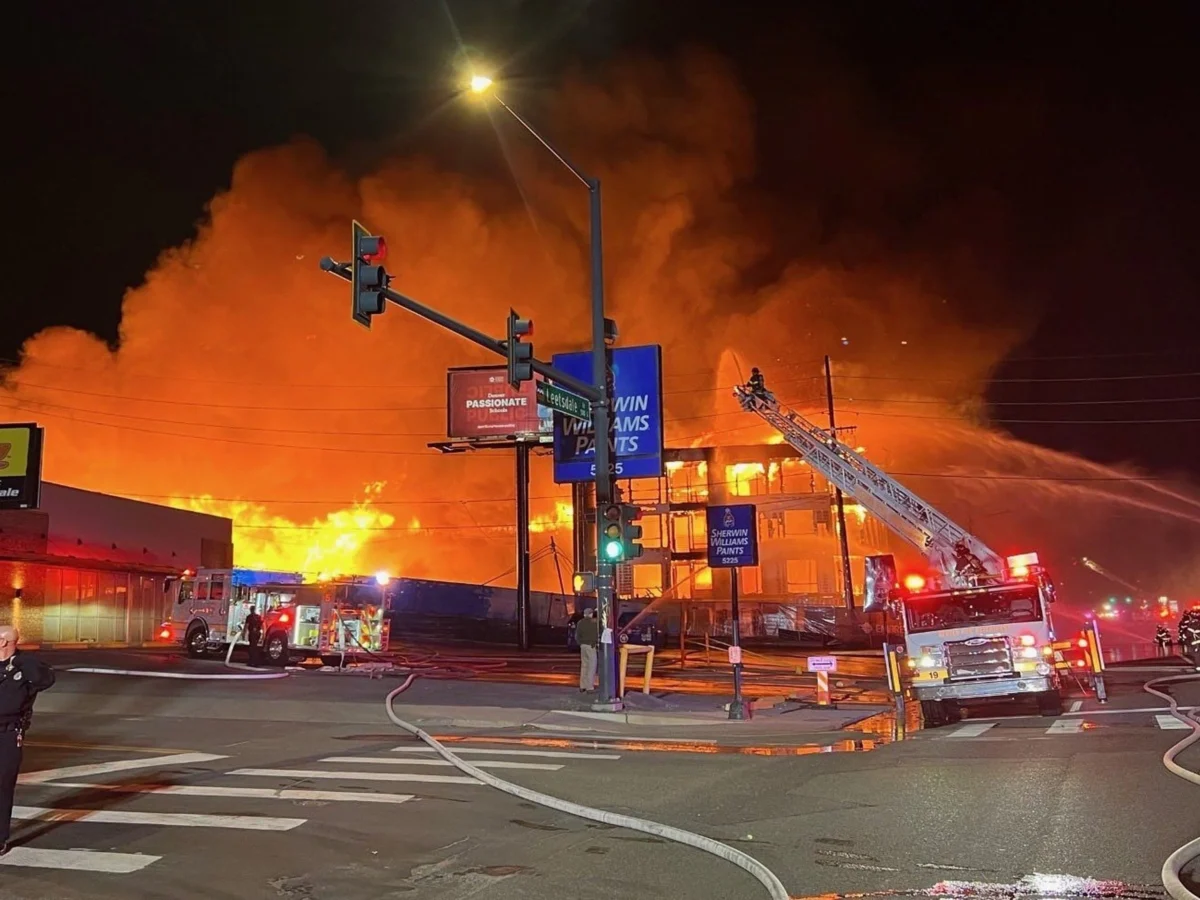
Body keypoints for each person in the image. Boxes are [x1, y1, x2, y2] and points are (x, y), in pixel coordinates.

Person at [1, 625, 56, 856]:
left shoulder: (24, 666)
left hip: (8, 733)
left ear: (4, 642)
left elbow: (45, 680)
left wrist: (23, 660)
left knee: (2, 786)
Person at [575, 608, 599, 693]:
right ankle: (589, 687)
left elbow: (577, 636)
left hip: (583, 646)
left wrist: (580, 643)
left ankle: (582, 686)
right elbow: (597, 634)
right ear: (591, 614)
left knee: (584, 666)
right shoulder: (594, 623)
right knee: (592, 666)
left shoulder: (580, 622)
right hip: (591, 646)